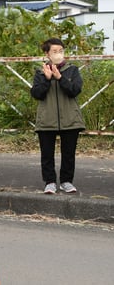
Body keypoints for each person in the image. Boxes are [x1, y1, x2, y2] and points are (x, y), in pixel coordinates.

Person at [30, 38, 85, 194]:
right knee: (47, 154)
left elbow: (75, 90)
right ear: (47, 53)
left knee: (69, 154)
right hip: (47, 119)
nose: (58, 54)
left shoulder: (72, 70)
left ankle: (67, 181)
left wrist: (60, 78)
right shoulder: (41, 72)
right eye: (54, 51)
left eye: (61, 51)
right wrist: (47, 80)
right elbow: (36, 94)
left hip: (70, 119)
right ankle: (50, 182)